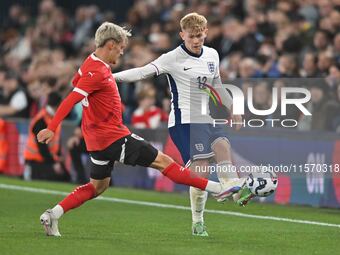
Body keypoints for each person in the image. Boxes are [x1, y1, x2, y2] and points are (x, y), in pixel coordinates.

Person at [38, 22, 244, 237]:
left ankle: (53, 214)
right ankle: (221, 189)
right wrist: (52, 127)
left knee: (97, 187)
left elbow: (76, 81)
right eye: (120, 47)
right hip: (113, 137)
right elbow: (73, 97)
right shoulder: (98, 71)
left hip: (96, 141)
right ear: (110, 44)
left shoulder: (90, 63)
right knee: (165, 163)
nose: (122, 51)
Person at [113, 13, 252, 237]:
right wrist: (111, 77)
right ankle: (198, 221)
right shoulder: (172, 58)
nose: (196, 41)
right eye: (191, 37)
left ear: (205, 32)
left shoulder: (212, 55)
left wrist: (233, 108)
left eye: (199, 36)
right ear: (182, 35)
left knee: (223, 149)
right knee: (201, 172)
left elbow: (217, 85)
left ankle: (234, 191)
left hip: (206, 118)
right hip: (183, 121)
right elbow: (142, 72)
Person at [24, 92, 70, 181]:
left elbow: (56, 141)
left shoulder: (52, 118)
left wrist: (58, 158)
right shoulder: (41, 121)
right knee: (59, 177)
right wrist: (54, 163)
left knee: (66, 177)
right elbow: (42, 147)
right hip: (36, 161)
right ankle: (29, 173)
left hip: (48, 159)